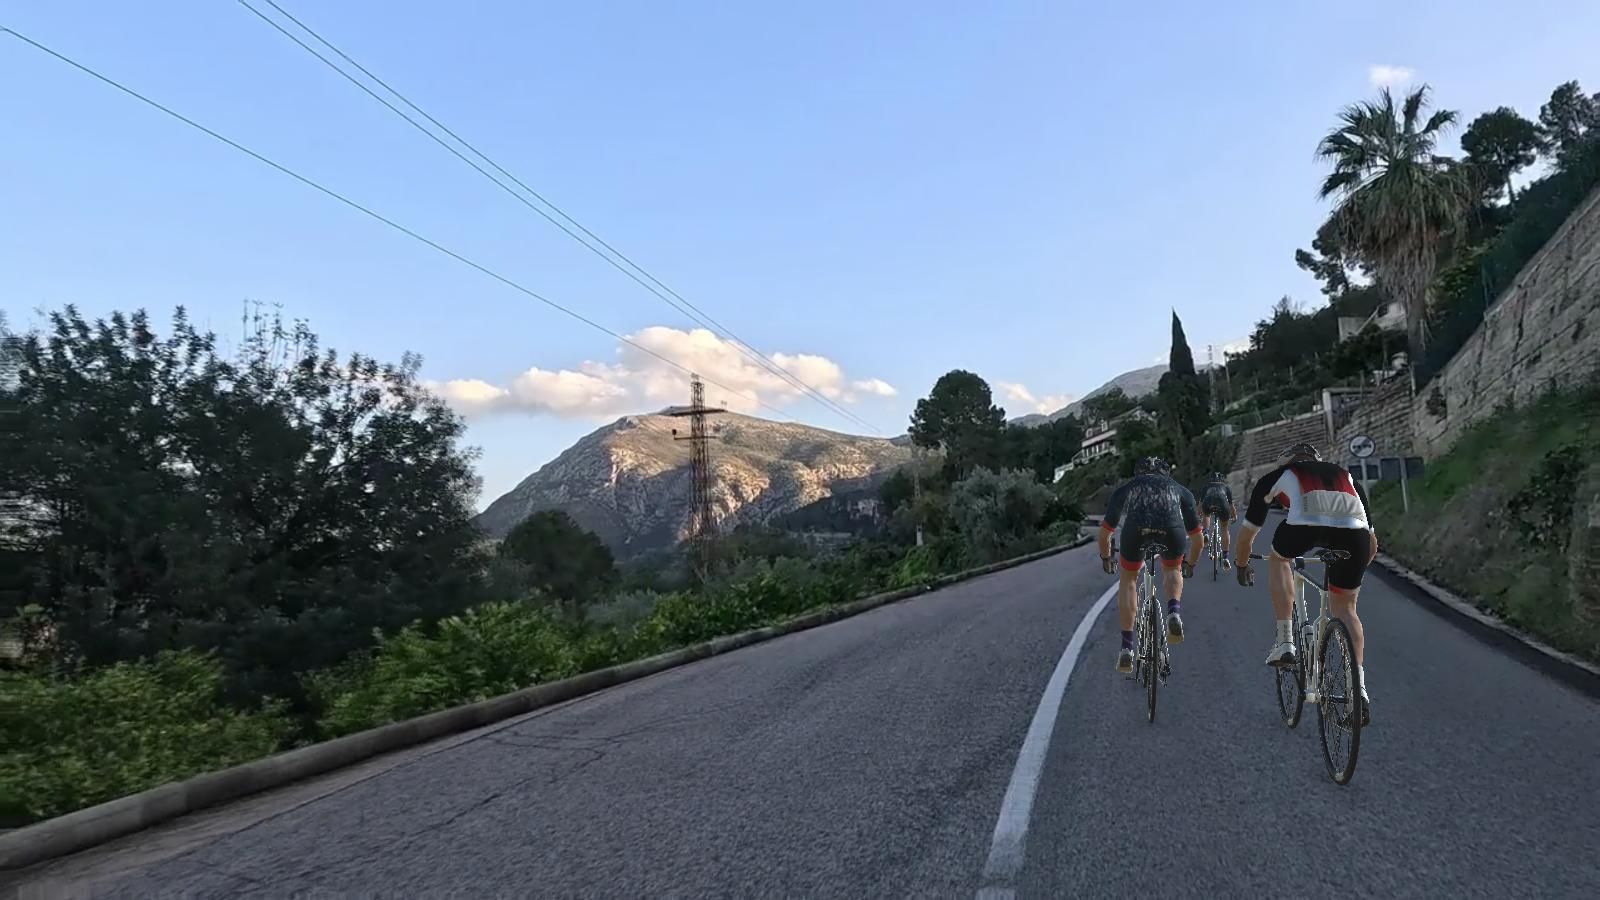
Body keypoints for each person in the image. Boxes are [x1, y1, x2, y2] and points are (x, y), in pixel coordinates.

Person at [1233, 442, 1378, 725]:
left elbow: (1247, 535)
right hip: (1354, 536)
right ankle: (1358, 689)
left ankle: (1285, 641)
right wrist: (1354, 570)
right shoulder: (1346, 476)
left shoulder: (1278, 475)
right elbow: (1372, 544)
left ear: (1287, 462)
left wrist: (1241, 565)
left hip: (1304, 527)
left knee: (1279, 559)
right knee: (1346, 609)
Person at [1098, 456, 1204, 673]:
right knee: (1173, 569)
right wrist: (1191, 564)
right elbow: (1198, 540)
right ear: (1167, 473)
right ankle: (1173, 612)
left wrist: (1106, 558)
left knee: (1128, 580)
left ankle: (1127, 648)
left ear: (1138, 473)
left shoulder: (1126, 489)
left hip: (1135, 532)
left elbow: (1105, 534)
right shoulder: (1181, 491)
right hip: (1172, 531)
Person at [1199, 472, 1238, 567]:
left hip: (1208, 503)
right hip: (1223, 505)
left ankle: (1206, 532)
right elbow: (1231, 504)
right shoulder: (1226, 487)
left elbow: (1200, 504)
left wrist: (1198, 515)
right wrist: (1234, 516)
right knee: (1224, 529)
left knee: (1206, 515)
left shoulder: (1206, 487)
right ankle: (1225, 557)